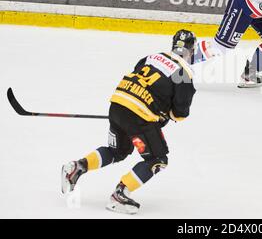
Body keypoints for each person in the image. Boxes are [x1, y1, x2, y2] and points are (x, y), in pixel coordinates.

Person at [61, 30, 197, 215]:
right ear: (192, 50)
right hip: (139, 115)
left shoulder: (153, 56)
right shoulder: (183, 72)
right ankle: (120, 195)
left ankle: (77, 167)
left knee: (118, 151)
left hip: (118, 104)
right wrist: (164, 114)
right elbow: (180, 113)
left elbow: (140, 77)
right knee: (158, 159)